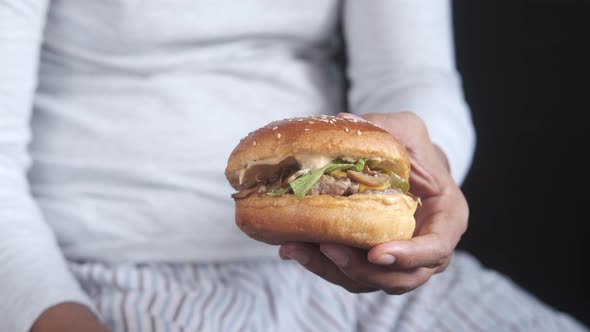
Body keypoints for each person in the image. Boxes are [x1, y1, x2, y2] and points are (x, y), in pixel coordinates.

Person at [0, 1, 587, 331]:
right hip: (101, 275)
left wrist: (434, 170)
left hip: (353, 275)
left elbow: (413, 79)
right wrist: (55, 316)